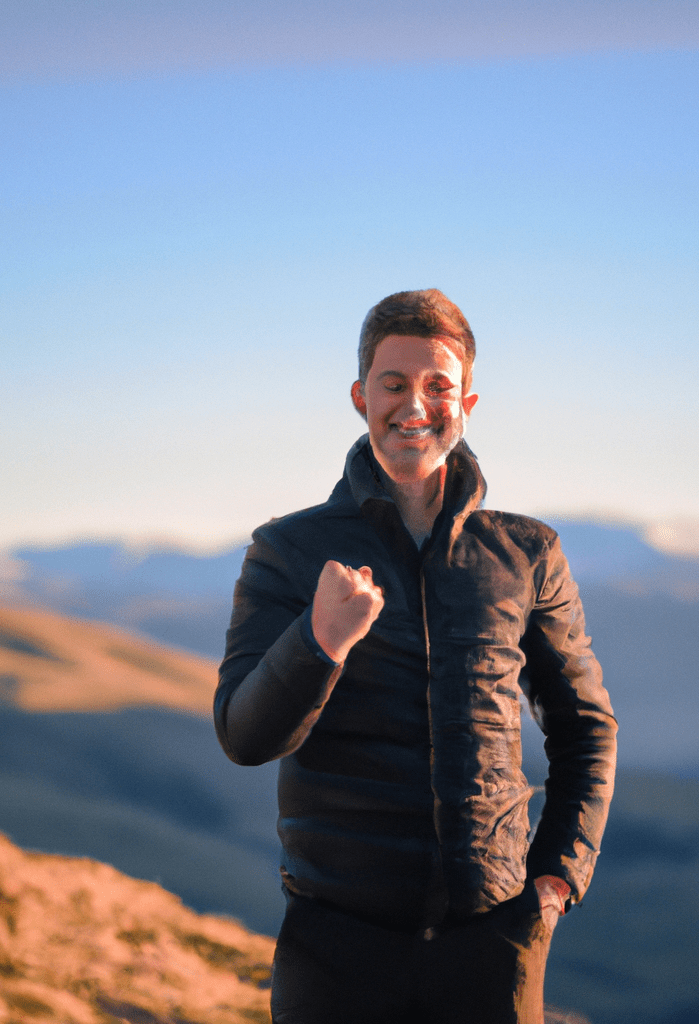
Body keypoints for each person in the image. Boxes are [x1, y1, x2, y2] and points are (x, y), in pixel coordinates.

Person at [215, 289, 617, 1024]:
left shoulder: (527, 552)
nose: (415, 406)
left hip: (495, 941)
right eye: (393, 384)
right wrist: (320, 640)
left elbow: (586, 725)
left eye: (437, 386)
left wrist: (558, 879)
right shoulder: (289, 549)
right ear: (359, 396)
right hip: (336, 944)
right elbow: (245, 736)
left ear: (466, 399)